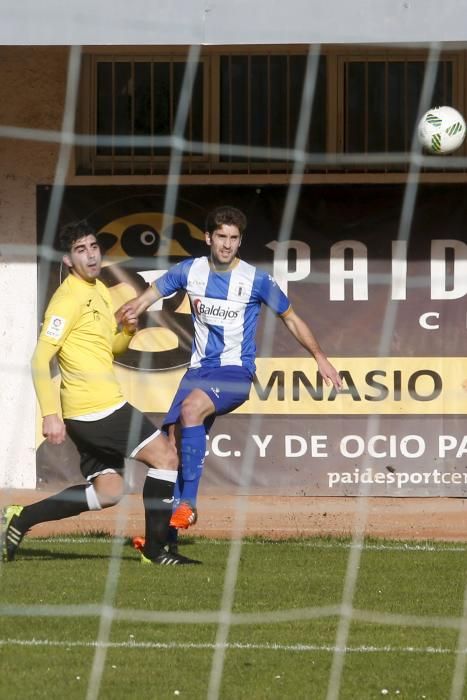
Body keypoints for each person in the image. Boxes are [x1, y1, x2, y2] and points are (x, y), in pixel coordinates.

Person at [119, 205, 342, 553]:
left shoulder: (256, 280)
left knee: (191, 411)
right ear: (208, 237)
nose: (226, 244)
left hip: (236, 372)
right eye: (221, 236)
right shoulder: (189, 271)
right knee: (171, 448)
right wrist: (131, 309)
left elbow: (292, 318)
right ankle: (164, 543)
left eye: (233, 238)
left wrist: (320, 356)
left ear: (240, 241)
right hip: (197, 372)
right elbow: (148, 296)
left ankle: (188, 504)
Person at [1, 220, 200, 566]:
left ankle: (21, 518)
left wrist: (126, 331)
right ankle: (155, 550)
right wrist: (49, 413)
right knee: (166, 457)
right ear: (67, 260)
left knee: (109, 491)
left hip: (94, 410)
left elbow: (110, 349)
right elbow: (39, 358)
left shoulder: (100, 290)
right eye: (81, 250)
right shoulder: (66, 299)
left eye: (94, 247)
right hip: (96, 408)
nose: (91, 255)